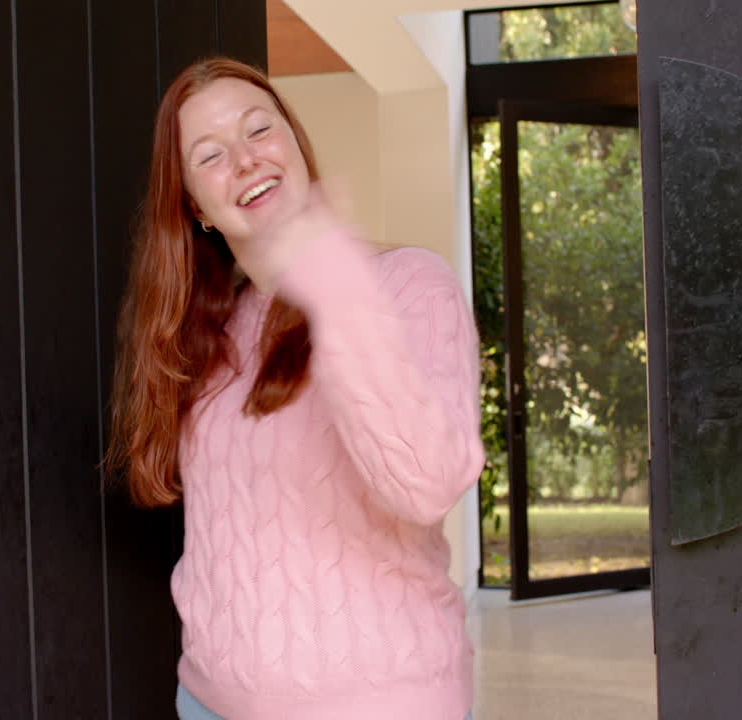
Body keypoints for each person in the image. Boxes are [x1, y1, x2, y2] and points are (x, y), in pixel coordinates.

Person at [106, 57, 484, 720]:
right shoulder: (205, 336)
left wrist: (332, 282)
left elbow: (426, 486)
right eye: (211, 154)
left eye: (259, 130)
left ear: (294, 142)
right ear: (195, 204)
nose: (246, 160)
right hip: (208, 703)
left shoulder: (406, 285)